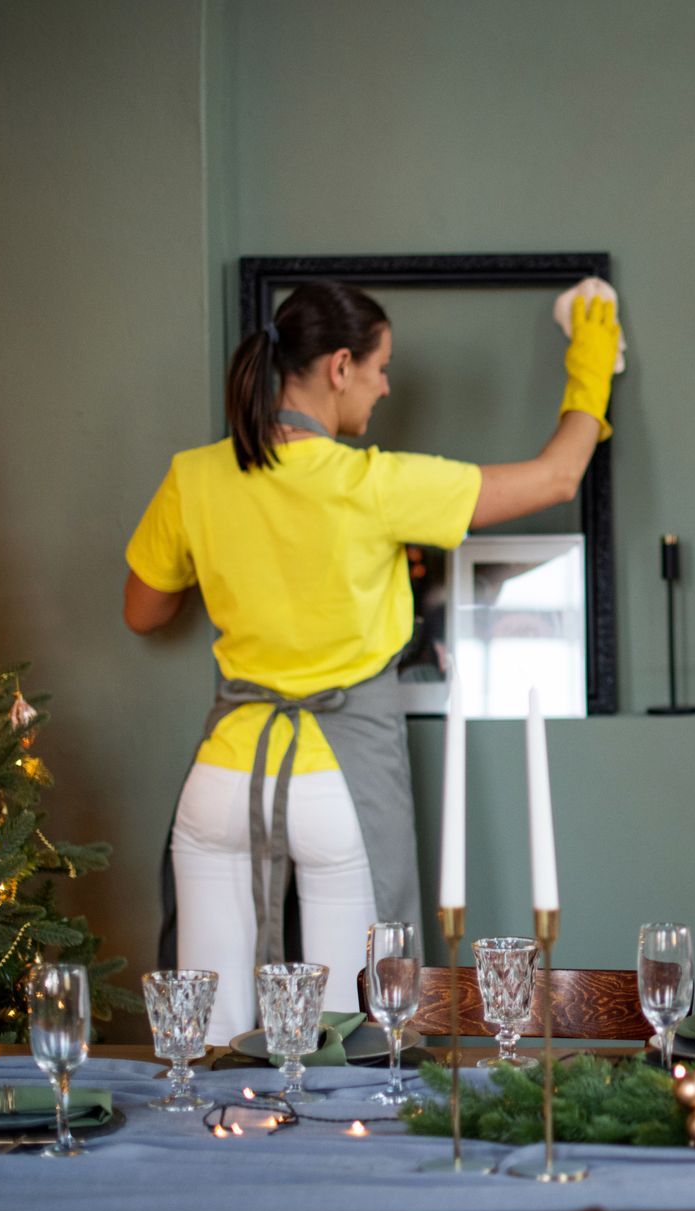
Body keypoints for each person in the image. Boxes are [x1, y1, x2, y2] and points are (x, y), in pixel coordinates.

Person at [124, 279, 621, 1041]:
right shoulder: (375, 484)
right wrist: (593, 354)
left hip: (221, 785)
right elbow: (557, 476)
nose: (386, 387)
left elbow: (143, 610)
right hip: (336, 787)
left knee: (206, 1044)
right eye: (382, 368)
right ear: (340, 366)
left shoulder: (194, 476)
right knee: (356, 1039)